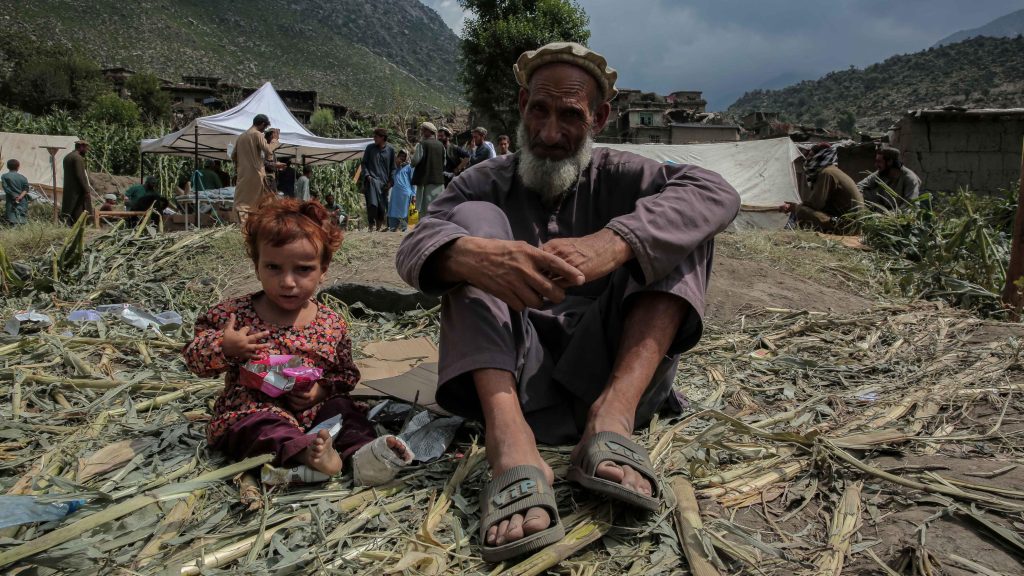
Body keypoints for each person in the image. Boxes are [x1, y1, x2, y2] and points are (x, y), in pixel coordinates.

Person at [395, 42, 739, 562]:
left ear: (599, 117)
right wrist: (476, 258)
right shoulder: (484, 180)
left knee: (682, 224)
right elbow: (412, 246)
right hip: (518, 385)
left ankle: (611, 421)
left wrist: (617, 240)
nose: (550, 134)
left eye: (570, 115)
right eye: (539, 110)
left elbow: (717, 194)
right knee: (470, 229)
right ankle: (509, 443)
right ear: (522, 105)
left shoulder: (624, 174)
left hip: (614, 381)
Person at [183, 199, 413, 484]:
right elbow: (194, 358)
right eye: (273, 267)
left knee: (347, 412)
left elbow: (344, 375)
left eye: (303, 269)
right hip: (254, 408)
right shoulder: (233, 316)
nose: (288, 282)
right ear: (256, 266)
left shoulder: (331, 324)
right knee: (259, 428)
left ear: (323, 269)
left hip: (314, 413)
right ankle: (305, 455)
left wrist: (320, 391)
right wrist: (224, 346)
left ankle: (364, 456)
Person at [780, 143, 863, 233]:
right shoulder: (834, 171)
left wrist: (793, 207)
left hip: (845, 227)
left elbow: (816, 205)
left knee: (802, 210)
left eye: (811, 156)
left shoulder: (826, 173)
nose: (807, 159)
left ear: (820, 156)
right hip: (852, 224)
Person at [231, 114, 283, 222]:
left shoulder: (241, 137)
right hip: (256, 174)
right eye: (264, 128)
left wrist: (240, 167)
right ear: (263, 124)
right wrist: (275, 140)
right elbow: (268, 150)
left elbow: (233, 155)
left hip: (243, 175)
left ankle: (243, 224)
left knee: (242, 201)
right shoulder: (257, 134)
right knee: (260, 202)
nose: (264, 131)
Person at [857, 147, 921, 211]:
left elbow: (911, 205)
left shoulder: (909, 178)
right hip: (882, 210)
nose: (876, 165)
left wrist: (891, 215)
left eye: (879, 162)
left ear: (890, 162)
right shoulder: (880, 173)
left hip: (898, 214)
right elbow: (859, 186)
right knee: (863, 193)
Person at [360, 127, 395, 231]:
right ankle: (371, 225)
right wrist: (367, 176)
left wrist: (390, 181)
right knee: (372, 204)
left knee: (381, 206)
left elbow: (393, 168)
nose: (373, 138)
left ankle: (379, 226)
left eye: (376, 136)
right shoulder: (369, 148)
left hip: (384, 183)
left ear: (382, 137)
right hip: (371, 181)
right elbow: (364, 164)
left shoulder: (390, 150)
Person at [411, 121, 445, 215]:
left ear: (428, 131)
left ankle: (425, 228)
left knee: (424, 209)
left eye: (423, 130)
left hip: (425, 181)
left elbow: (414, 161)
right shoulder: (441, 145)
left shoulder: (422, 144)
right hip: (439, 182)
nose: (422, 132)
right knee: (437, 208)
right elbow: (444, 162)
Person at [60, 140, 98, 224]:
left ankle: (67, 223)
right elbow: (80, 175)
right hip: (77, 189)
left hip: (69, 187)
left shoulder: (67, 157)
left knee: (69, 207)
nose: (87, 150)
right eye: (86, 148)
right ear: (81, 147)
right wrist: (86, 189)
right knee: (80, 207)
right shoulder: (78, 158)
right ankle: (81, 224)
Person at [388, 150, 414, 232]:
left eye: (404, 156)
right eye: (400, 155)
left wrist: (414, 194)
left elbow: (413, 181)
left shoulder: (410, 167)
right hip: (395, 193)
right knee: (393, 211)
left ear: (407, 157)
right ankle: (392, 228)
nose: (402, 158)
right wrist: (396, 165)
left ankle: (405, 229)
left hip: (406, 193)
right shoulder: (393, 167)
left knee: (405, 212)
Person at [3, 159, 30, 226]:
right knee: (22, 220)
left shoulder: (5, 176)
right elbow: (26, 189)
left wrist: (15, 196)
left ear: (7, 166)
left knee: (12, 220)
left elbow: (6, 188)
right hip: (22, 201)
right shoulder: (23, 177)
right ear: (18, 167)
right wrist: (20, 197)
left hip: (12, 201)